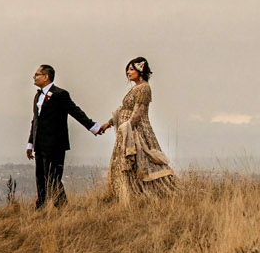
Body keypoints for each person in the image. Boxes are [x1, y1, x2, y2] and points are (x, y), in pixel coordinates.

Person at [92, 57, 176, 202]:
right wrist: (108, 123)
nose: (128, 72)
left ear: (140, 71)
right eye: (128, 69)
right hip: (126, 131)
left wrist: (129, 128)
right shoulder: (135, 88)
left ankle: (140, 196)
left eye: (131, 69)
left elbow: (138, 112)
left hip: (135, 131)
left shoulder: (144, 88)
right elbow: (124, 109)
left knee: (139, 162)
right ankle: (127, 196)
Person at [26, 64, 97, 209]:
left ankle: (63, 208)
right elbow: (35, 120)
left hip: (55, 144)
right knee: (40, 177)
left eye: (37, 74)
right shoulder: (37, 96)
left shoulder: (60, 94)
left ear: (46, 77)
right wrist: (30, 143)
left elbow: (74, 111)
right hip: (40, 144)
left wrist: (92, 127)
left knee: (53, 178)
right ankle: (41, 207)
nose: (34, 77)